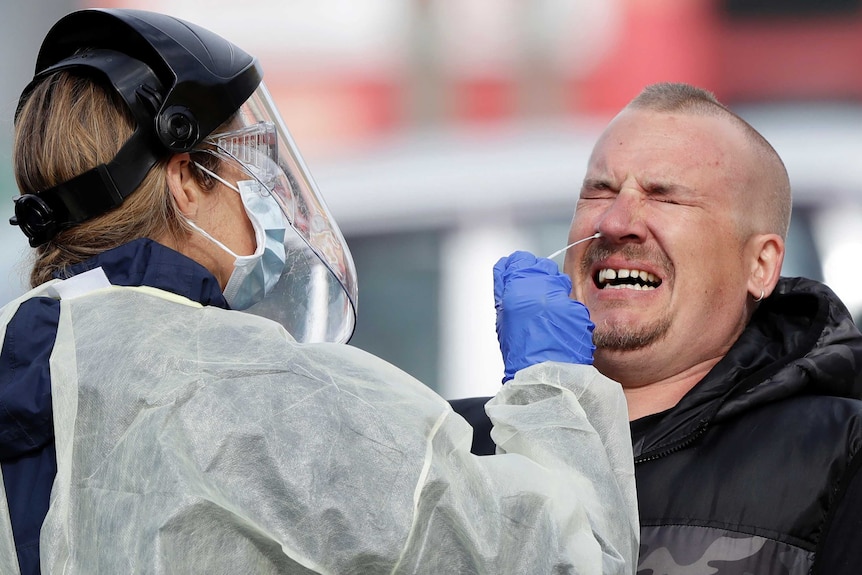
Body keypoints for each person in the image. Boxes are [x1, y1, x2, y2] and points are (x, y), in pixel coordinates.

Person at [0, 8, 640, 575]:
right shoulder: (247, 391)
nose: (266, 198)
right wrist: (554, 388)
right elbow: (566, 559)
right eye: (244, 163)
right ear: (186, 181)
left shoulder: (24, 358)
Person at [452, 82, 862, 574]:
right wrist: (540, 410)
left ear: (759, 264)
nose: (616, 221)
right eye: (599, 191)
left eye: (665, 197)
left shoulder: (838, 454)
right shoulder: (454, 446)